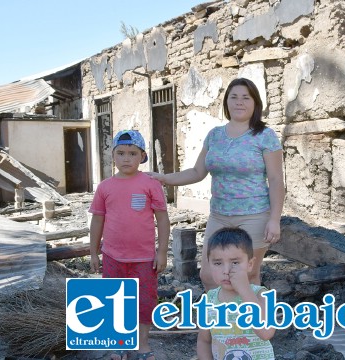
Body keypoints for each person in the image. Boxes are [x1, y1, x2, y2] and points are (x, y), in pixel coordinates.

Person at [150, 77, 284, 290]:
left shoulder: (265, 136)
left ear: (255, 103)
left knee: (247, 276)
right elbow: (197, 172)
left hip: (255, 215)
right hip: (219, 215)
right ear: (227, 102)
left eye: (245, 97)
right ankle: (221, 321)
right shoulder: (214, 136)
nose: (239, 102)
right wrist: (165, 179)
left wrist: (274, 219)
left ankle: (251, 322)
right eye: (234, 97)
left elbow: (276, 180)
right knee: (210, 275)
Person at [89, 129, 170, 360]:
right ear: (112, 156)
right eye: (121, 153)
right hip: (112, 256)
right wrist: (93, 252)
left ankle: (142, 345)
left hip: (144, 258)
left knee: (145, 302)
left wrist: (161, 252)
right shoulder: (104, 187)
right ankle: (118, 344)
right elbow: (97, 220)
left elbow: (162, 219)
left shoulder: (151, 184)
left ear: (142, 156)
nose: (126, 158)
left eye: (132, 153)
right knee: (114, 300)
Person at [197, 227, 276, 360]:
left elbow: (266, 333)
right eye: (218, 263)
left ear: (250, 264)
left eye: (235, 262)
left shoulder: (261, 295)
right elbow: (204, 341)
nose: (226, 270)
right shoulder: (209, 300)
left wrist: (244, 290)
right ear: (209, 264)